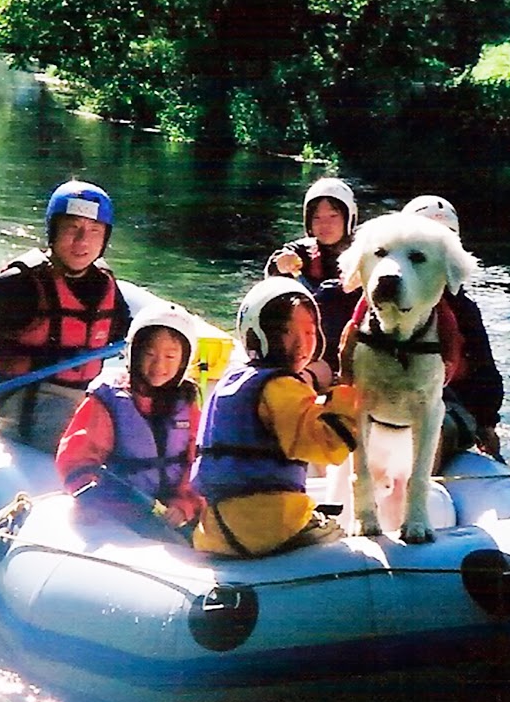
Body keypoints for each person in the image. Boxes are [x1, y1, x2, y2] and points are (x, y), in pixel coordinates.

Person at [0, 180, 132, 453]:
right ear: (53, 232)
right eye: (72, 229)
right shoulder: (19, 286)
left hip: (81, 396)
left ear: (104, 239)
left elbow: (129, 338)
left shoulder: (105, 286)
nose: (82, 241)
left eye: (94, 231)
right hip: (27, 402)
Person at [190, 278, 360, 557]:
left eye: (309, 332)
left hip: (216, 530)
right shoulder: (281, 386)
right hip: (273, 528)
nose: (301, 344)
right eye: (286, 332)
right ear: (259, 334)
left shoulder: (232, 380)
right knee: (347, 541)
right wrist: (349, 385)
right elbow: (330, 445)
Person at [56, 303, 205, 539]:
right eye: (149, 354)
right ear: (134, 354)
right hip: (120, 510)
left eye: (170, 356)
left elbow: (197, 462)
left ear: (183, 360)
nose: (159, 365)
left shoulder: (186, 403)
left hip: (172, 511)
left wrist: (184, 504)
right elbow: (79, 455)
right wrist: (88, 492)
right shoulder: (110, 399)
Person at [396, 193, 504, 461]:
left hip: (448, 406)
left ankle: (419, 491)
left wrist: (487, 423)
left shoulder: (464, 310)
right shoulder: (383, 297)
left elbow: (486, 375)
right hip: (391, 399)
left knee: (432, 426)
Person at [265, 177, 361, 389]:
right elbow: (275, 267)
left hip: (350, 348)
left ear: (348, 218)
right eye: (316, 218)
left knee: (330, 292)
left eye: (333, 216)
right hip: (310, 347)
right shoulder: (303, 251)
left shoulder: (364, 252)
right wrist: (280, 264)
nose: (324, 224)